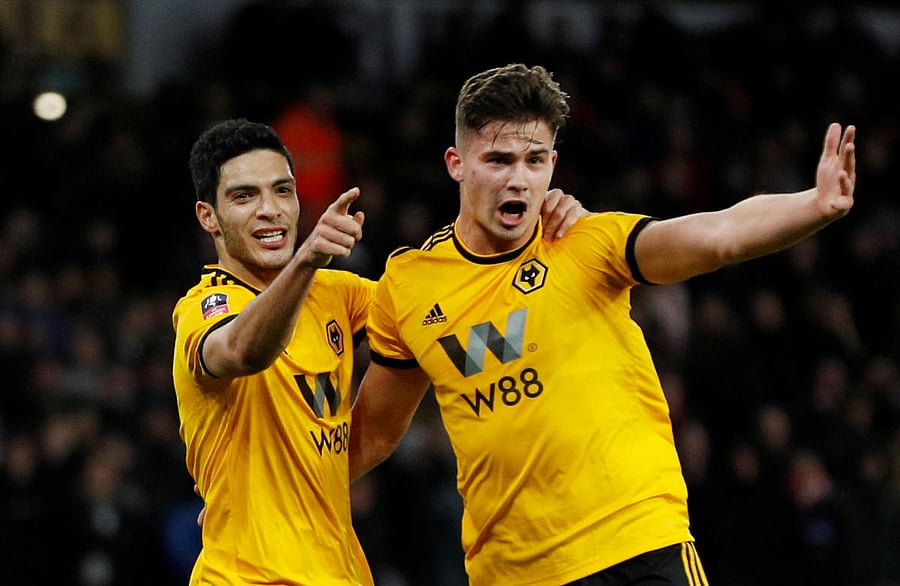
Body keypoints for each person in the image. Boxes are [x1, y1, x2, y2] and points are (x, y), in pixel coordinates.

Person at [349, 63, 857, 586]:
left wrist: (813, 206)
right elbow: (373, 433)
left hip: (640, 544)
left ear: (553, 164)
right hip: (515, 573)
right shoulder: (409, 285)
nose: (517, 178)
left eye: (534, 160)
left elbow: (716, 236)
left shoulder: (585, 242)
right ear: (457, 163)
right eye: (497, 160)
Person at [172, 117, 587, 584]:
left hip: (341, 571)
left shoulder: (336, 295)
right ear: (209, 216)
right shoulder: (204, 309)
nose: (270, 209)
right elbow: (244, 351)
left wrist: (536, 236)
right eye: (244, 196)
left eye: (282, 191)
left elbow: (444, 332)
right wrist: (308, 259)